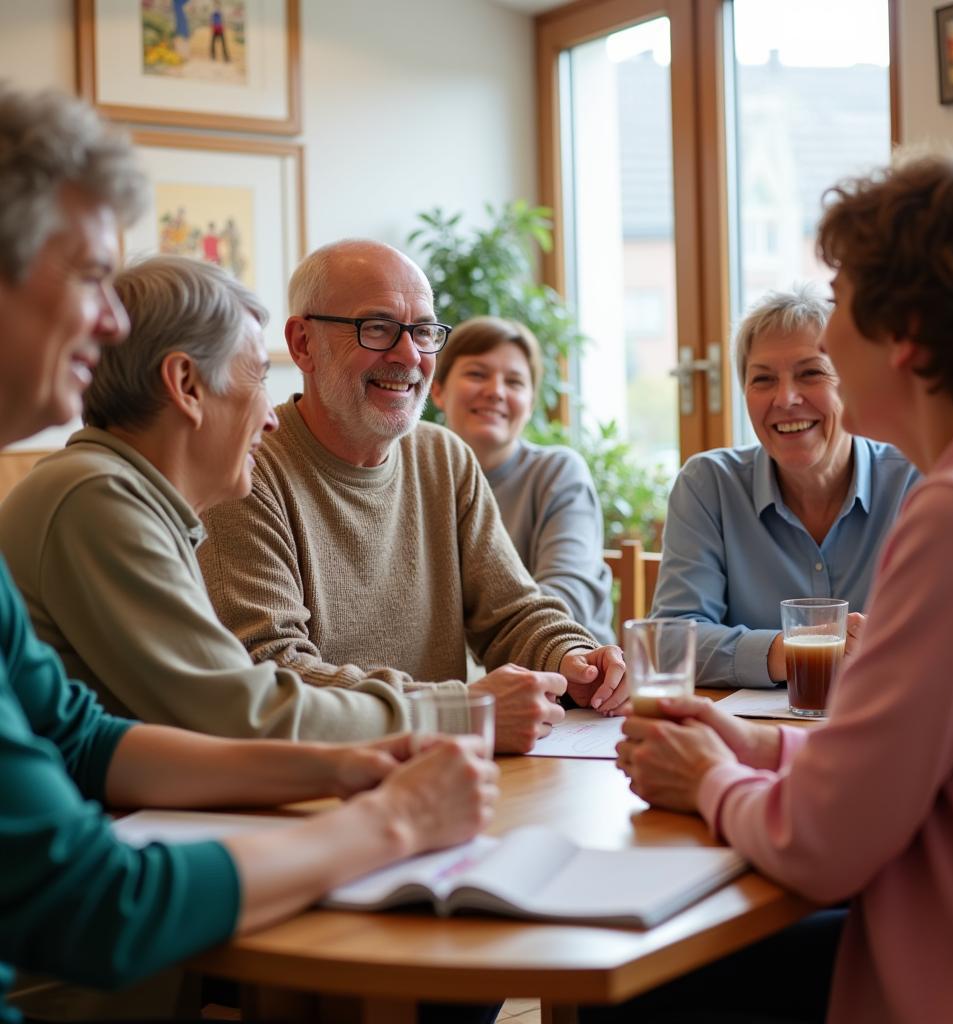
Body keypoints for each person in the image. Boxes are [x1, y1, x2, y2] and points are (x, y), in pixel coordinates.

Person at [0, 83, 498, 1024]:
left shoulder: (120, 499)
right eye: (87, 276)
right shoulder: (90, 498)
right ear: (186, 386)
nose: (108, 320)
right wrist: (391, 809)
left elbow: (81, 737)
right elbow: (225, 718)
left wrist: (347, 765)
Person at [608, 144, 953, 1023]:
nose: (825, 342)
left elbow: (825, 844)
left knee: (636, 976)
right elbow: (917, 762)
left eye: (839, 307)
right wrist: (751, 745)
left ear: (903, 330)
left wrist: (709, 780)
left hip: (951, 979)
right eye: (766, 374)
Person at [0, 254, 465, 741]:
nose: (270, 416)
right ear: (186, 386)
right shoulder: (97, 498)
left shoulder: (132, 498)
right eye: (258, 377)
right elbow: (245, 709)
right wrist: (455, 714)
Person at [198, 241, 628, 753]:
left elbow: (512, 614)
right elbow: (271, 669)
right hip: (318, 781)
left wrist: (571, 659)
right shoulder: (247, 467)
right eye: (376, 328)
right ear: (303, 343)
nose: (408, 356)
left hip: (444, 768)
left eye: (424, 331)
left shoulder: (444, 457)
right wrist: (461, 710)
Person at [650, 284, 917, 688]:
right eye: (763, 379)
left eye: (811, 373)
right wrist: (802, 650)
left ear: (851, 382)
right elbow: (671, 642)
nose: (786, 398)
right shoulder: (707, 484)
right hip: (740, 740)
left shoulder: (915, 481)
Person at [431, 315, 614, 645]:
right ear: (438, 390)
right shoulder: (416, 476)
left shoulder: (557, 474)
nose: (496, 392)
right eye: (476, 374)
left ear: (529, 404)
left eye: (515, 382)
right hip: (448, 686)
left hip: (568, 678)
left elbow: (568, 601)